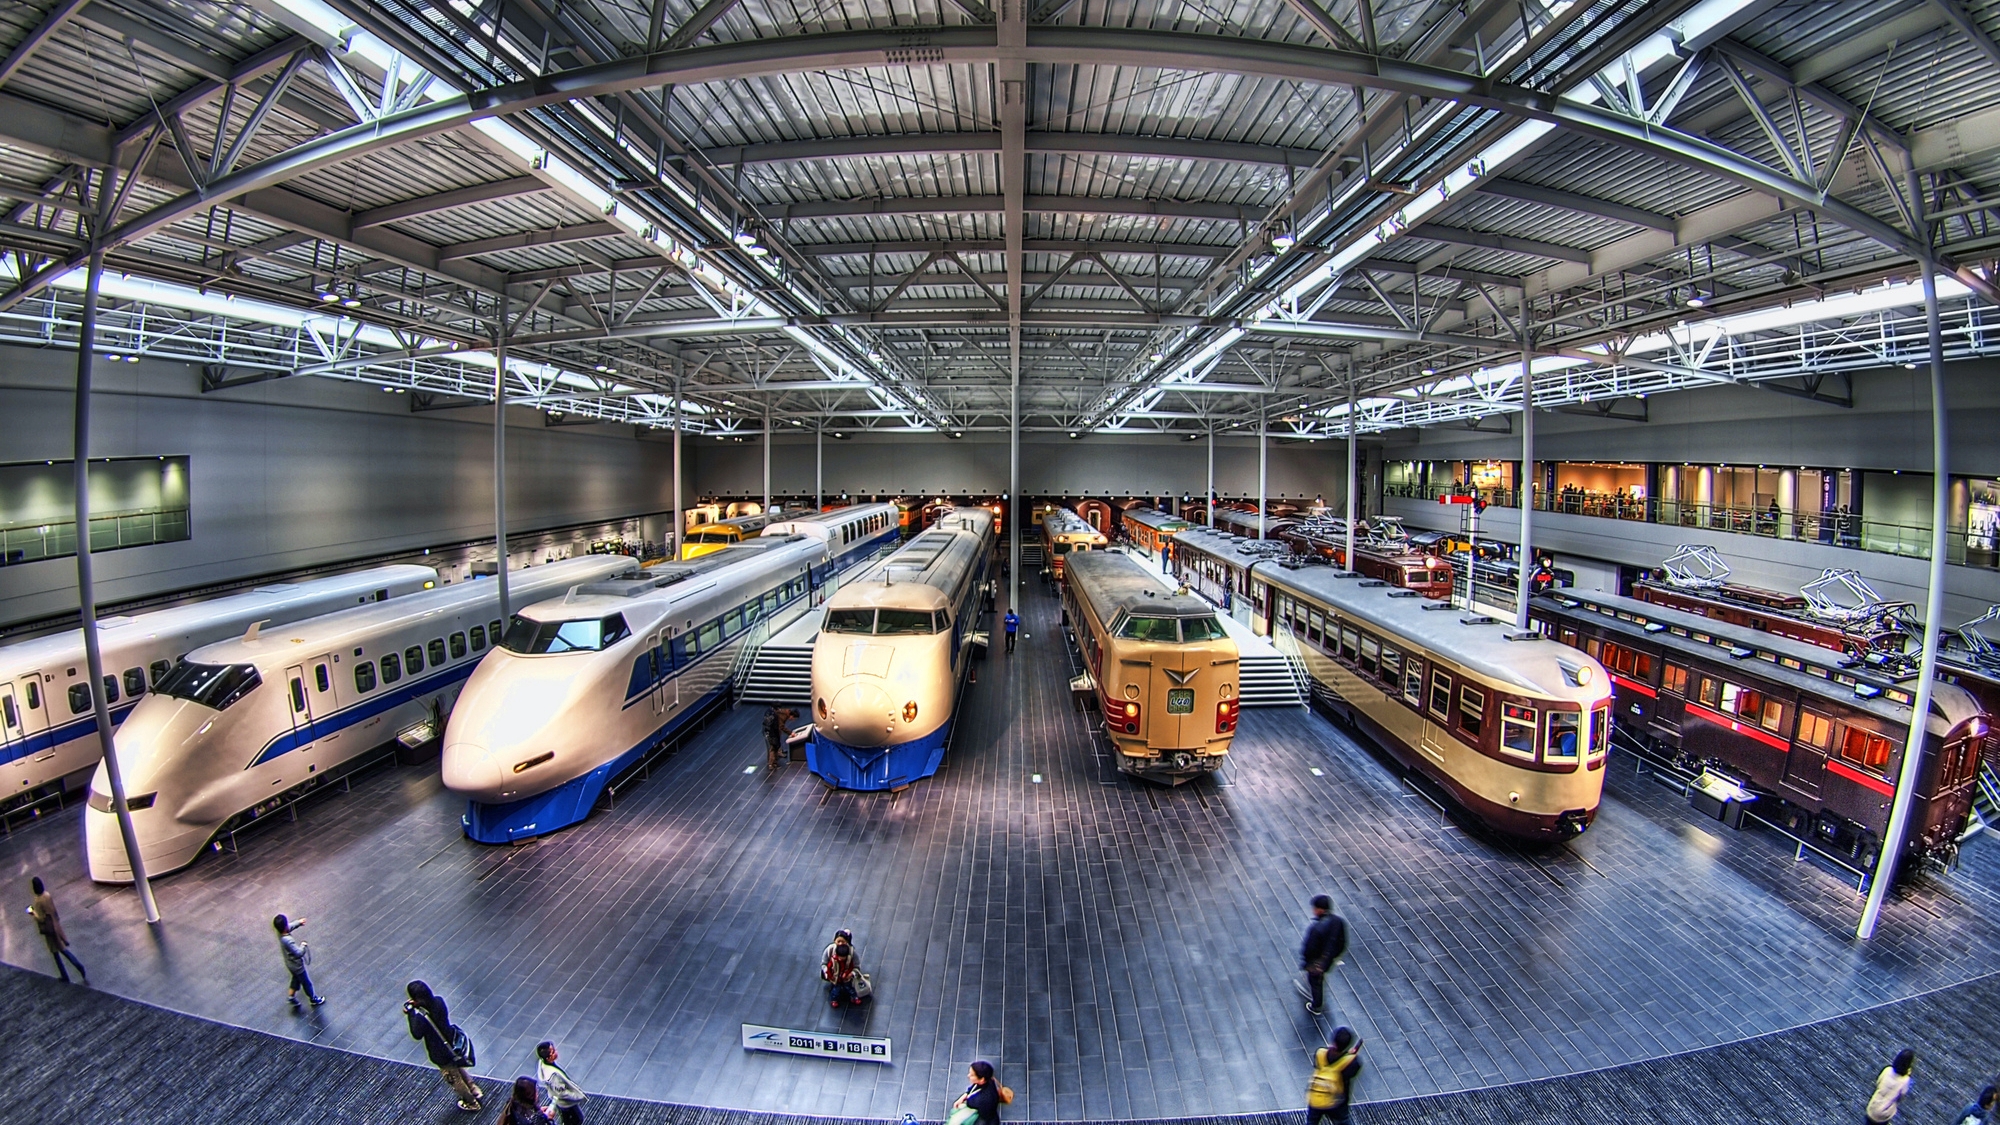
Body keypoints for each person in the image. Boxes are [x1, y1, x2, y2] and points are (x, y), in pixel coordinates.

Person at [406, 980, 482, 1111]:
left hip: (439, 1051)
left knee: (453, 1078)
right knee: (457, 1066)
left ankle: (471, 1102)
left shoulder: (421, 1018)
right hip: (451, 1042)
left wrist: (411, 1013)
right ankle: (474, 1090)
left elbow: (416, 1034)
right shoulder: (439, 1002)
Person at [25, 877, 85, 984]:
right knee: (62, 949)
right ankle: (77, 968)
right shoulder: (47, 895)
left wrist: (32, 913)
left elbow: (41, 918)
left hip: (49, 930)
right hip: (55, 925)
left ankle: (67, 973)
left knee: (57, 953)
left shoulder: (38, 901)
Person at [1295, 894, 1347, 1017]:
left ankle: (1316, 1006)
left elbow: (1309, 949)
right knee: (1319, 978)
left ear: (1320, 910)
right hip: (1329, 959)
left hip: (1317, 963)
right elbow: (1342, 942)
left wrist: (1308, 963)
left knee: (1315, 982)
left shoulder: (1316, 928)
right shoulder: (1338, 921)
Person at [1305, 1026, 1362, 1125]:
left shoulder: (1320, 1053)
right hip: (1336, 1102)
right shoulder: (1352, 1062)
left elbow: (1320, 1065)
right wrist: (1349, 1056)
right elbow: (1350, 1073)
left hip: (1315, 1099)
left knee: (1312, 1122)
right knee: (1343, 1121)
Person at [273, 914, 324, 1007]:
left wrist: (298, 923)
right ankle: (313, 999)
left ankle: (291, 997)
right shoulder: (288, 940)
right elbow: (299, 953)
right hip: (297, 966)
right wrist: (303, 945)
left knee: (296, 979)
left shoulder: (280, 934)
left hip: (290, 964)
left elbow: (289, 927)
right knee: (306, 983)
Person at [536, 1041, 588, 1125]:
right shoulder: (553, 1076)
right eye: (553, 1052)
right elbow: (562, 1093)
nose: (556, 1052)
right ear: (548, 1058)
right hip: (565, 1102)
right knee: (578, 1118)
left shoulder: (544, 1063)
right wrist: (578, 1096)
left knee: (567, 1119)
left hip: (559, 1100)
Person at [954, 1060, 1011, 1125]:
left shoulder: (981, 1100)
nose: (968, 1076)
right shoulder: (989, 1081)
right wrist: (963, 1097)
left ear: (982, 1079)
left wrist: (965, 1099)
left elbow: (970, 1103)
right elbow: (974, 1087)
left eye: (972, 1075)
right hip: (991, 1116)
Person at [1866, 1048, 1915, 1124]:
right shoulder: (1905, 1080)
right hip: (1884, 1114)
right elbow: (1901, 1096)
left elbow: (1878, 1082)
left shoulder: (1887, 1070)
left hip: (1873, 1107)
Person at [822, 929, 860, 1008]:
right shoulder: (830, 950)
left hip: (846, 976)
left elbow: (856, 966)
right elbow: (824, 964)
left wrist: (851, 974)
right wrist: (828, 974)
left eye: (843, 941)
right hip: (835, 976)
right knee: (836, 990)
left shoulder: (852, 952)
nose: (840, 944)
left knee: (849, 988)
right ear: (834, 940)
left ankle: (854, 997)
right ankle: (834, 999)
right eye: (838, 941)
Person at [763, 705, 797, 773]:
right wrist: (790, 733)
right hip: (772, 731)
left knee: (775, 744)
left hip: (771, 730)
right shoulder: (783, 715)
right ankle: (771, 763)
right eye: (794, 718)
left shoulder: (785, 712)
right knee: (773, 746)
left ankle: (777, 755)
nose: (793, 720)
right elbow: (781, 726)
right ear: (792, 715)